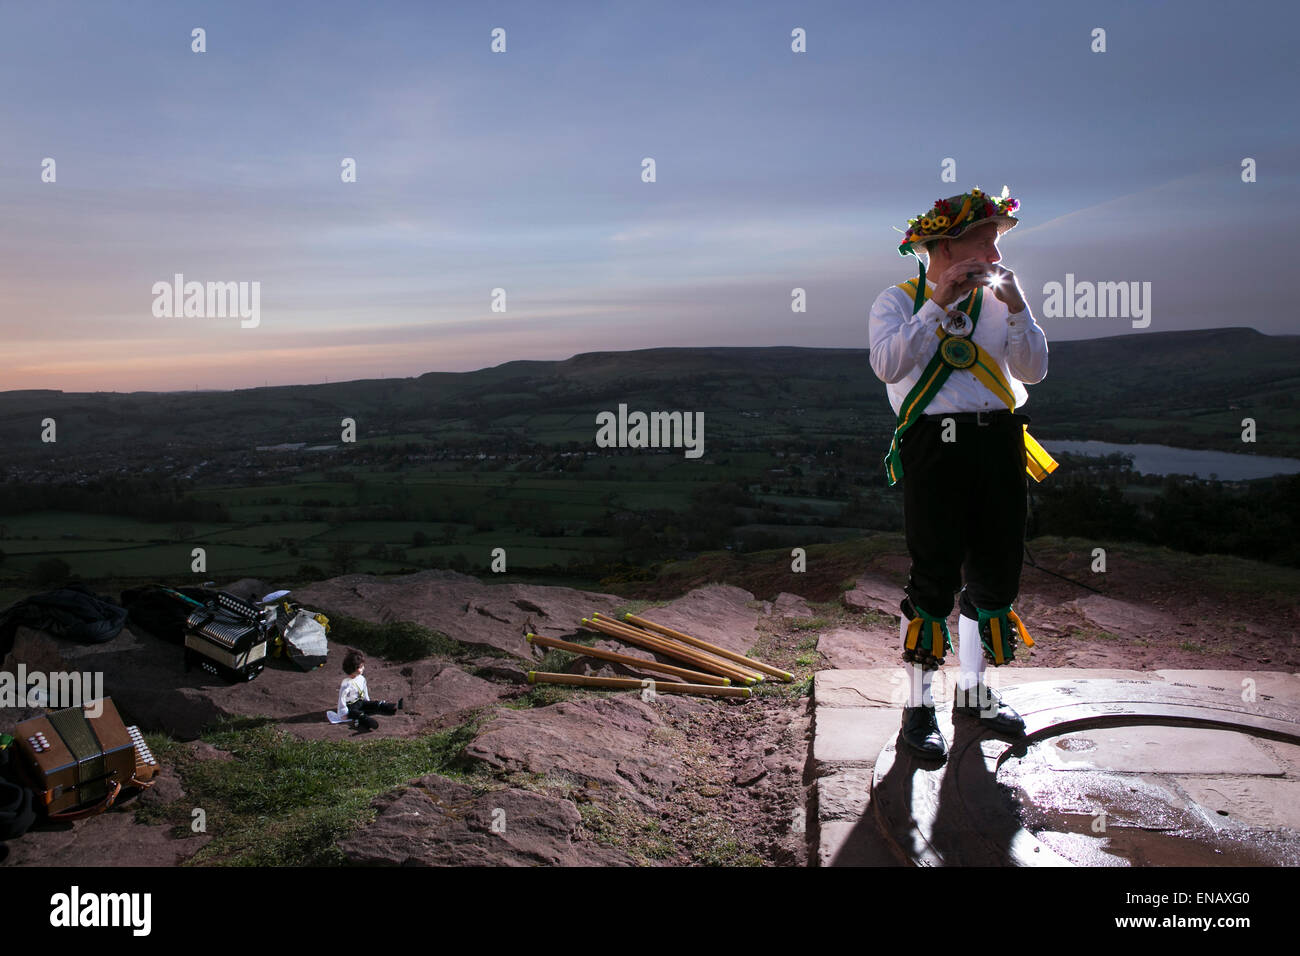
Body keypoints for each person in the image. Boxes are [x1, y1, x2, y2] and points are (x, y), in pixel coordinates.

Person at [868, 186, 1057, 760]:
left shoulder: (1001, 300)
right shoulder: (896, 301)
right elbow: (888, 364)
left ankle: (974, 696)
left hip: (1000, 442)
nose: (996, 254)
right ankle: (918, 709)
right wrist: (936, 304)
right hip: (934, 446)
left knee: (996, 574)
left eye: (997, 242)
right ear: (945, 244)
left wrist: (1021, 306)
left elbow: (1035, 369)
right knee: (933, 578)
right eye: (984, 240)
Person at [327, 649, 402, 731]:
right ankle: (368, 721)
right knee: (355, 713)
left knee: (376, 704)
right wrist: (343, 712)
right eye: (361, 667)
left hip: (360, 701)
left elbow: (364, 690)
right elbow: (342, 699)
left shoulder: (361, 678)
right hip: (350, 705)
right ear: (353, 668)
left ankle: (392, 707)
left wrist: (367, 701)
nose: (363, 668)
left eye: (363, 666)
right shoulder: (346, 683)